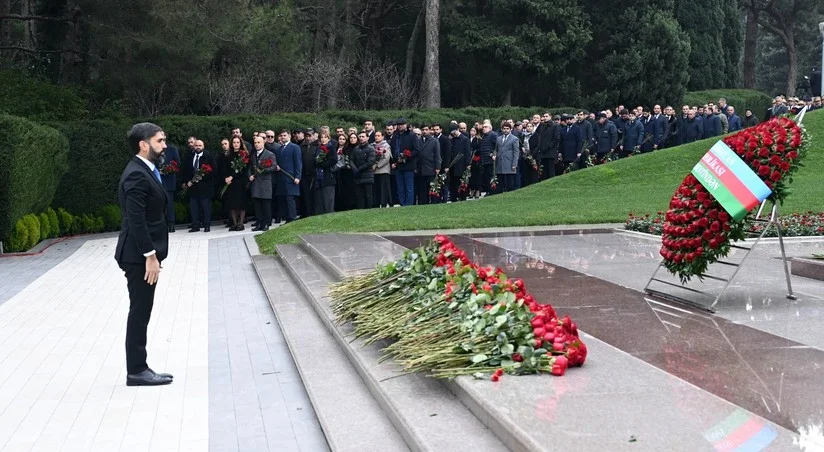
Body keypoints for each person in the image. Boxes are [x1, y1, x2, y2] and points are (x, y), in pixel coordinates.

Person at [114, 122, 173, 386]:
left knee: (142, 309)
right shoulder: (136, 174)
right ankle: (136, 370)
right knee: (140, 310)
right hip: (138, 256)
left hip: (143, 254)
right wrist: (150, 255)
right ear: (143, 144)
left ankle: (139, 367)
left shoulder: (145, 170)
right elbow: (136, 220)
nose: (165, 146)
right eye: (160, 141)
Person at [182, 140, 214, 232]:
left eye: (200, 145)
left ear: (203, 146)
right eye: (196, 145)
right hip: (192, 187)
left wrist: (201, 177)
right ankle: (195, 225)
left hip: (204, 187)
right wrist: (186, 182)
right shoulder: (189, 157)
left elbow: (213, 171)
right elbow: (185, 170)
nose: (198, 147)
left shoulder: (208, 157)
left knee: (205, 207)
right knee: (194, 207)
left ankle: (206, 225)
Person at [249, 135, 277, 231]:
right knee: (257, 205)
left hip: (265, 183)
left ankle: (266, 223)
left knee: (266, 205)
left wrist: (263, 170)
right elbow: (250, 167)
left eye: (258, 142)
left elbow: (274, 167)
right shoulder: (253, 155)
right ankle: (259, 223)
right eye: (255, 143)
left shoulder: (270, 154)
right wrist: (249, 175)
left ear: (263, 143)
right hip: (256, 183)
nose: (256, 144)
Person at [274, 129, 302, 223]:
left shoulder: (295, 147)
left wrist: (298, 176)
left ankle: (292, 219)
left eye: (285, 135)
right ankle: (287, 219)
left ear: (289, 136)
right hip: (281, 178)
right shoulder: (278, 149)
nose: (283, 137)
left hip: (291, 177)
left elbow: (298, 163)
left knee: (290, 199)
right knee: (283, 199)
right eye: (281, 135)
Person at [158, 143, 180, 232]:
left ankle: (171, 224)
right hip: (157, 181)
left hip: (168, 181)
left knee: (169, 205)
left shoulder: (172, 149)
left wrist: (166, 170)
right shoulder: (154, 148)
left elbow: (177, 163)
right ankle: (161, 225)